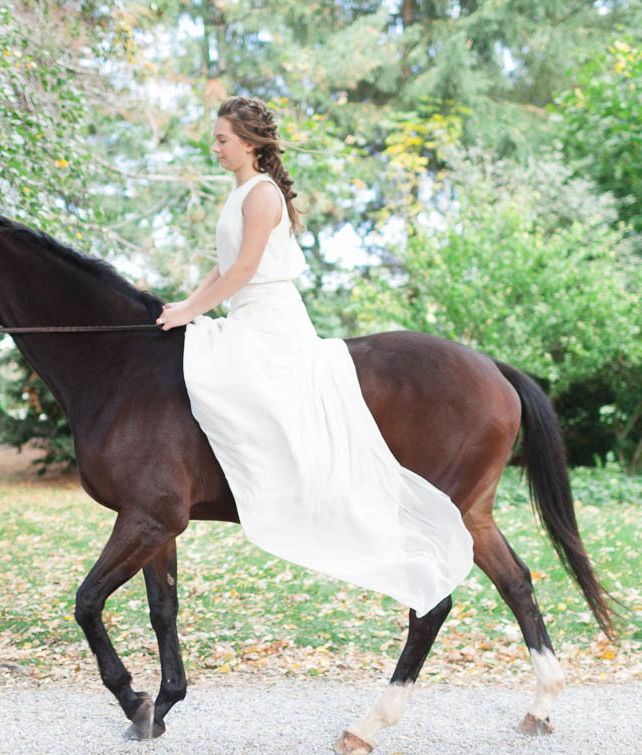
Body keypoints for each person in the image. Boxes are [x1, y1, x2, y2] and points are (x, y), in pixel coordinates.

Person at [155, 96, 472, 615]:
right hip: (243, 314)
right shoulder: (236, 195)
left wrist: (192, 312)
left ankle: (279, 480)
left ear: (250, 145)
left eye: (222, 139)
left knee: (223, 373)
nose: (214, 147)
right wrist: (187, 303)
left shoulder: (261, 195)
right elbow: (222, 268)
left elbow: (244, 271)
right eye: (215, 139)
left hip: (270, 320)